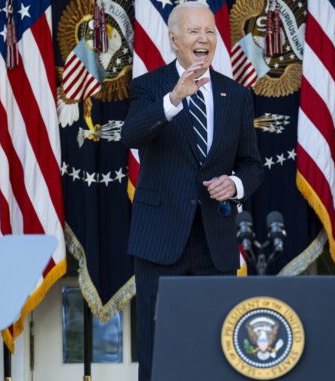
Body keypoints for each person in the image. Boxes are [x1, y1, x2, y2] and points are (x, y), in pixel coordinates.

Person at [121, 2, 263, 380]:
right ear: (173, 40)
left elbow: (253, 165)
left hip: (214, 243)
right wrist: (173, 100)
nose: (204, 39)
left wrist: (234, 185)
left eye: (210, 31)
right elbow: (130, 135)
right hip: (159, 241)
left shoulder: (236, 95)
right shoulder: (149, 87)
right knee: (156, 350)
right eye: (194, 31)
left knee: (216, 350)